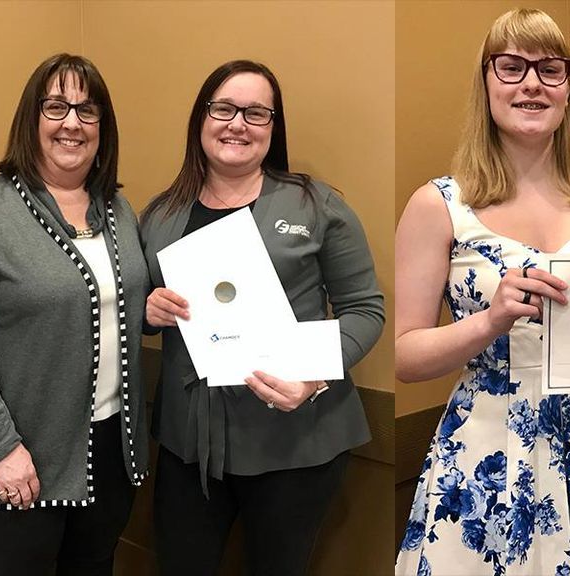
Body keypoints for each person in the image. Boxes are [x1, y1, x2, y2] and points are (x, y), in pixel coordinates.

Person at [394, 9, 570, 575]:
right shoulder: (438, 205)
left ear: (569, 89)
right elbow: (406, 358)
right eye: (511, 67)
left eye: (549, 69)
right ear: (485, 81)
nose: (531, 83)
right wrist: (488, 323)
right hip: (486, 449)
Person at [140, 59, 383, 576]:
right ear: (201, 118)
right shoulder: (160, 215)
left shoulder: (317, 206)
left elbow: (365, 309)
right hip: (190, 446)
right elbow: (134, 311)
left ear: (274, 127)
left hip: (295, 437)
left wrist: (313, 374)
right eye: (224, 108)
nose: (238, 124)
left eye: (256, 113)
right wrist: (148, 310)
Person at [0, 53, 150, 576]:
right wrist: (2, 447)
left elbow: (110, 310)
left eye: (87, 110)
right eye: (56, 107)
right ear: (32, 119)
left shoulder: (116, 210)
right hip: (15, 459)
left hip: (109, 452)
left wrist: (153, 310)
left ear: (103, 128)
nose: (72, 122)